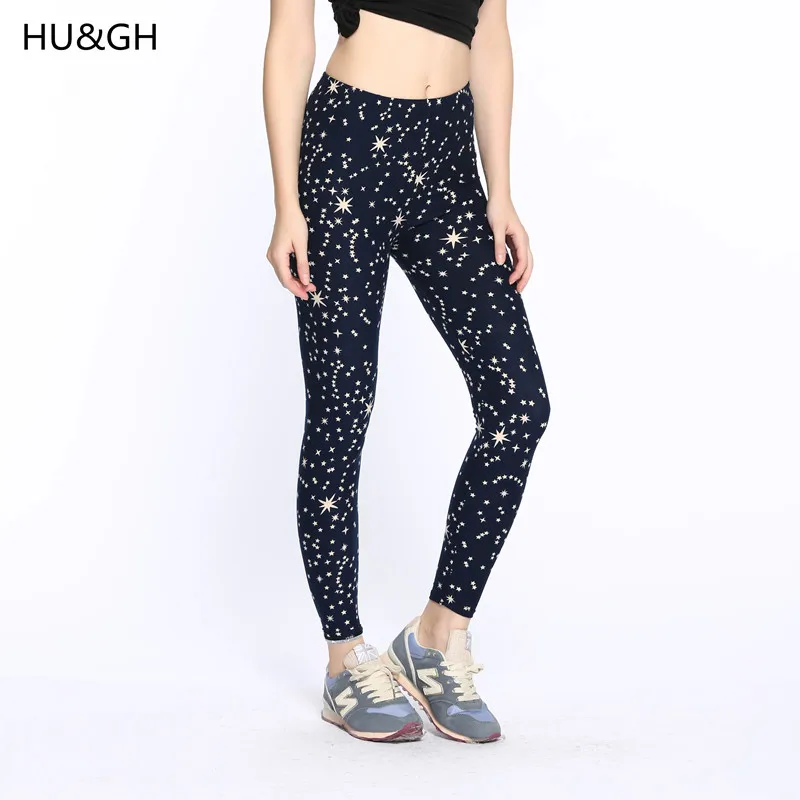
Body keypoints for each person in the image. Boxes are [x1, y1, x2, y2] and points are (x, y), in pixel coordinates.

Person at [263, 0, 550, 743]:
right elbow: (291, 40)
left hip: (449, 156)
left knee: (519, 405)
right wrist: (287, 204)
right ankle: (343, 661)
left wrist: (500, 189)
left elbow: (491, 34)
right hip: (347, 149)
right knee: (342, 409)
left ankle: (435, 638)